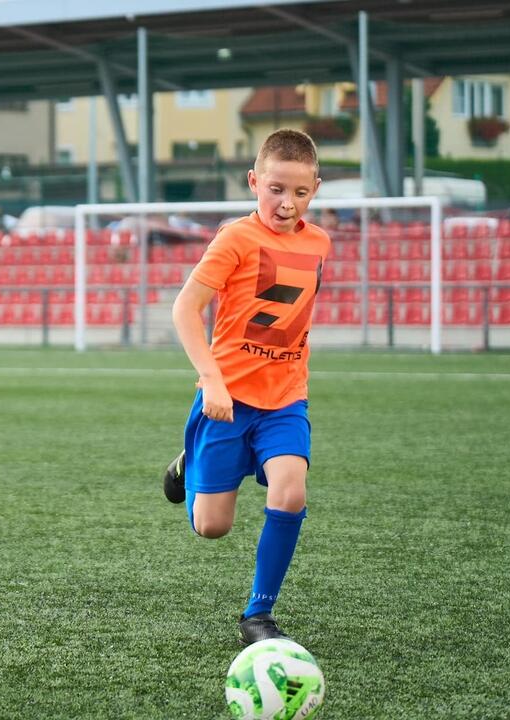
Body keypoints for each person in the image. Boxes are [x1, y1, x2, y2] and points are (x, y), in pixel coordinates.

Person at [160, 128, 330, 647]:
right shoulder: (235, 238)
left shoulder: (319, 243)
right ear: (254, 181)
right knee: (212, 526)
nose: (287, 203)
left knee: (291, 490)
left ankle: (259, 613)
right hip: (227, 400)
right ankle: (189, 462)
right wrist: (212, 380)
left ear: (315, 190)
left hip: (286, 400)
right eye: (276, 189)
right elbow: (185, 309)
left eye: (299, 192)